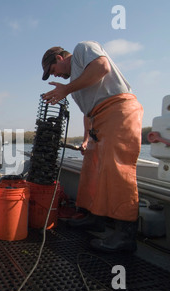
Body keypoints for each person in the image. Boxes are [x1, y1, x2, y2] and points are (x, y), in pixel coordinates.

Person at [41, 41, 144, 253]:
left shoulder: (82, 49)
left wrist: (67, 89)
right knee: (92, 169)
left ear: (59, 58)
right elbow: (88, 113)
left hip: (119, 110)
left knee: (118, 170)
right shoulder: (76, 88)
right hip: (99, 121)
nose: (55, 76)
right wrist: (87, 139)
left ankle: (125, 234)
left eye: (53, 70)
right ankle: (94, 218)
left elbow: (102, 67)